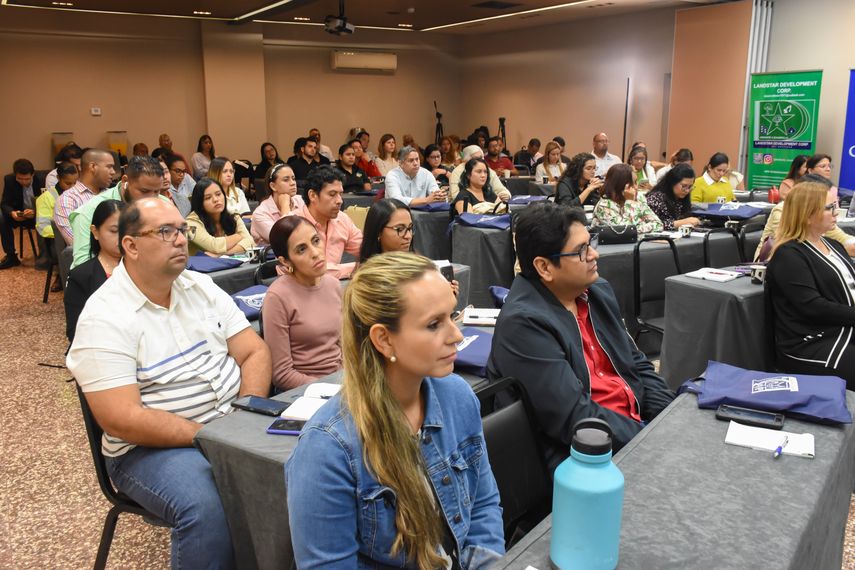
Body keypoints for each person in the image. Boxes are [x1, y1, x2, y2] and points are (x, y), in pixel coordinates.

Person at [67, 197, 272, 568]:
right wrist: (210, 436)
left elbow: (254, 352)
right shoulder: (104, 316)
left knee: (309, 459)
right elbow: (121, 418)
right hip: (149, 449)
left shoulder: (201, 287)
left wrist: (245, 416)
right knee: (207, 504)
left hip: (232, 422)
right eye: (165, 231)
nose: (180, 239)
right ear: (131, 246)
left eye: (182, 229)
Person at [286, 251, 504, 568]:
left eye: (452, 316)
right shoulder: (327, 449)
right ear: (384, 340)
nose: (457, 335)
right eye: (434, 324)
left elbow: (483, 507)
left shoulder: (458, 397)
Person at [487, 202, 675, 471]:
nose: (594, 255)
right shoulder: (523, 324)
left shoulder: (597, 292)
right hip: (584, 457)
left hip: (632, 433)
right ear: (544, 267)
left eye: (591, 243)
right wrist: (649, 441)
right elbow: (573, 417)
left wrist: (669, 419)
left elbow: (636, 364)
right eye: (581, 250)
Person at [766, 183, 855, 388]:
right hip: (811, 342)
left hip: (843, 327)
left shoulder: (834, 245)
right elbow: (812, 307)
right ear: (807, 215)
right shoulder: (788, 254)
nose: (836, 212)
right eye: (829, 208)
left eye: (836, 205)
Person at [263, 216, 343, 391]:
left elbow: (345, 348)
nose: (315, 253)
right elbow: (282, 374)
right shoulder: (277, 297)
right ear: (285, 261)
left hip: (340, 381)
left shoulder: (334, 285)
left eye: (316, 241)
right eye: (301, 249)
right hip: (304, 391)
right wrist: (330, 389)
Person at [69, 155, 165, 269]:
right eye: (144, 191)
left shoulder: (164, 204)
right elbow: (83, 266)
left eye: (157, 191)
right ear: (125, 181)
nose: (151, 199)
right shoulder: (90, 212)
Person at [754, 175, 855, 261]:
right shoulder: (783, 210)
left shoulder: (825, 220)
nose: (836, 211)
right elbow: (792, 245)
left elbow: (844, 239)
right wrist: (834, 250)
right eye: (831, 205)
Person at [64, 199, 125, 341]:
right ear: (95, 231)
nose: (122, 237)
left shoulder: (142, 269)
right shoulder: (81, 276)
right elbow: (75, 331)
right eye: (114, 231)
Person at [294, 165, 362, 279]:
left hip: (334, 285)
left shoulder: (342, 219)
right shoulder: (293, 223)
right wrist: (356, 267)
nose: (340, 201)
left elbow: (366, 249)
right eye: (332, 194)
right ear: (312, 195)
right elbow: (304, 270)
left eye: (340, 194)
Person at [54, 149, 116, 245]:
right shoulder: (68, 199)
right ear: (93, 167)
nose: (113, 172)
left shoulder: (113, 194)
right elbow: (77, 242)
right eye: (109, 167)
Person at [36, 161, 78, 288]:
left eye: (75, 183)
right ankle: (65, 276)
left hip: (76, 236)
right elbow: (43, 227)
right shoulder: (46, 198)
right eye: (68, 183)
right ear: (59, 179)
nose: (72, 187)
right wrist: (64, 231)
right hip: (56, 242)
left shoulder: (78, 194)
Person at [186, 178, 254, 256]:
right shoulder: (190, 224)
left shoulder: (233, 216)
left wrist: (221, 254)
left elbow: (250, 242)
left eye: (218, 194)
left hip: (227, 262)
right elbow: (214, 246)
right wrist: (239, 236)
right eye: (208, 198)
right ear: (200, 204)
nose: (216, 199)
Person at [592, 163, 663, 234]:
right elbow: (624, 231)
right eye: (633, 183)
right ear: (620, 185)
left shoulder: (639, 198)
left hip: (640, 240)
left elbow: (658, 224)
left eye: (636, 182)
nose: (636, 187)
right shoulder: (604, 205)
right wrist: (630, 202)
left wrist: (637, 228)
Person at [0, 159, 45, 269]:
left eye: (27, 179)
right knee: (1, 217)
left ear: (32, 175)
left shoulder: (42, 180)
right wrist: (12, 213)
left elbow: (50, 204)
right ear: (15, 175)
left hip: (38, 215)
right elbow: (5, 203)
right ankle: (11, 256)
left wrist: (35, 212)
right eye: (20, 179)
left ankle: (45, 257)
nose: (24, 182)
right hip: (20, 215)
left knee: (47, 218)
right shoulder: (9, 180)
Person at [251, 163, 304, 246]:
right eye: (286, 180)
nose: (293, 183)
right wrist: (285, 206)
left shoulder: (301, 200)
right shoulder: (260, 213)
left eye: (293, 178)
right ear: (273, 186)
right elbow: (284, 240)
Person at [645, 163, 702, 231]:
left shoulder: (681, 198)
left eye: (690, 187)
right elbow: (650, 225)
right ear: (673, 182)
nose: (687, 190)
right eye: (684, 186)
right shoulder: (655, 198)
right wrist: (679, 223)